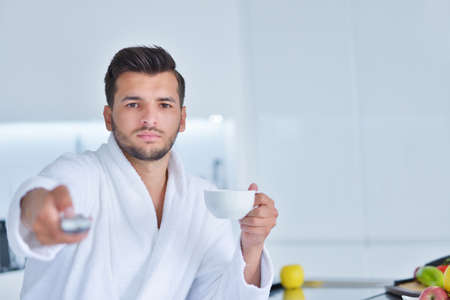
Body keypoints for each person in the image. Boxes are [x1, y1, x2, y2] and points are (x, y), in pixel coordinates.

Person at [6, 46, 278, 300]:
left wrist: (251, 248)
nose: (149, 118)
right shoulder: (81, 174)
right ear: (108, 116)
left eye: (164, 105)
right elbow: (39, 199)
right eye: (133, 104)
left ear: (182, 119)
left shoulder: (201, 200)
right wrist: (39, 212)